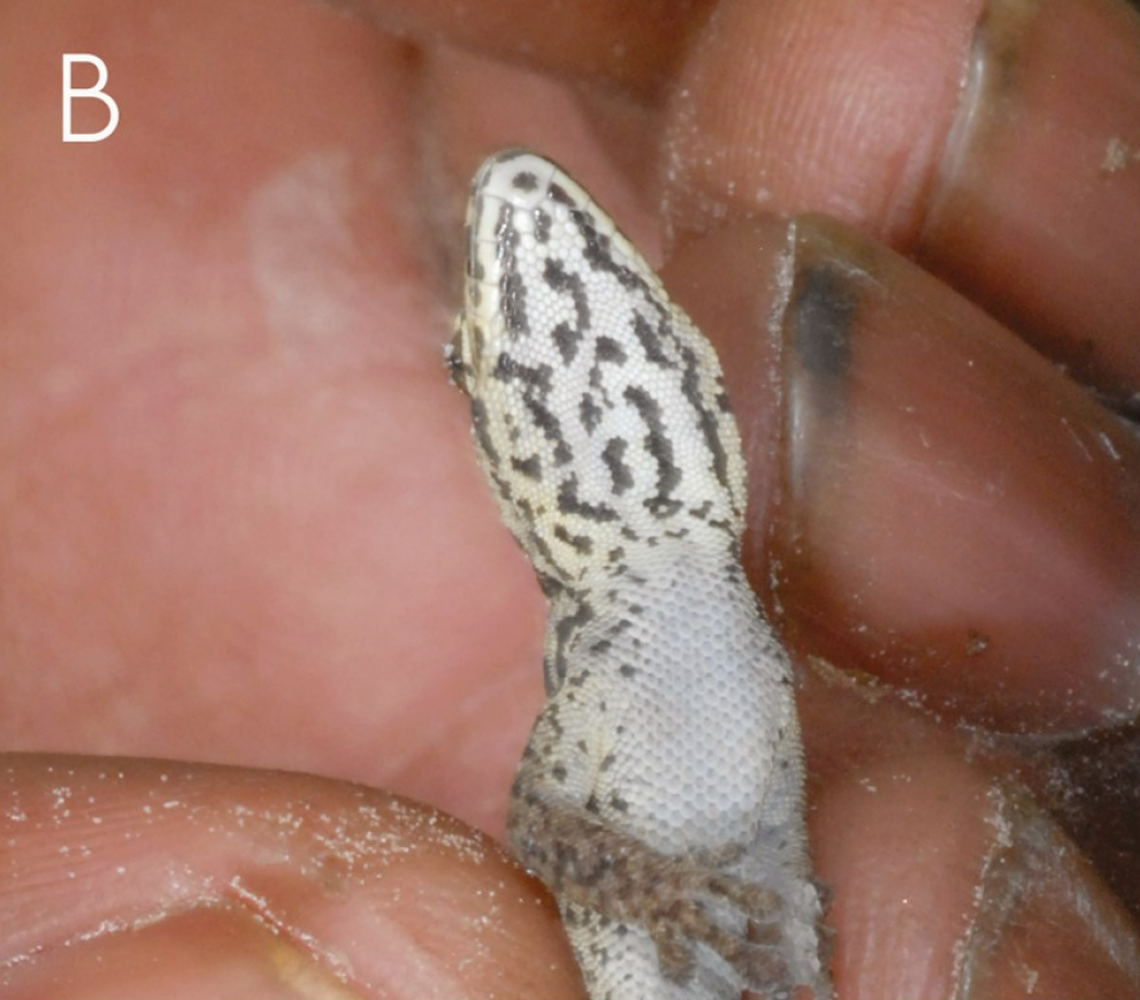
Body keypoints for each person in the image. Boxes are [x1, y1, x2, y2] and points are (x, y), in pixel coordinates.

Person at [3, 0, 1138, 995]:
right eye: (493, 362)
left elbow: (565, 818)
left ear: (696, 373)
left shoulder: (705, 611)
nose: (570, 338)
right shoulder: (642, 643)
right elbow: (555, 825)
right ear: (514, 468)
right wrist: (677, 899)